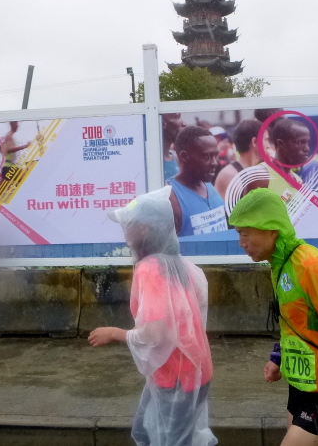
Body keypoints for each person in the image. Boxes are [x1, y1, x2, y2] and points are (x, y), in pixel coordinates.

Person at [229, 188, 318, 446]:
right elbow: (297, 322)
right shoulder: (280, 263)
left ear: (272, 230)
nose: (241, 243)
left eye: (245, 233)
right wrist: (279, 356)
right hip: (300, 388)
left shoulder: (311, 266)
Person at [88, 186, 216, 446]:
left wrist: (114, 333)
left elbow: (155, 333)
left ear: (144, 229)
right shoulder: (183, 266)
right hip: (193, 370)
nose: (125, 234)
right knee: (147, 432)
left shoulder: (150, 269)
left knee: (171, 441)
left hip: (177, 378)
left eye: (128, 226)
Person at [167, 126, 227, 237]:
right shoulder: (170, 196)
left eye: (215, 156)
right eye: (206, 156)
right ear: (184, 157)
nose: (214, 163)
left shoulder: (207, 184)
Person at [245, 118, 310, 203]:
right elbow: (245, 211)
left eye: (307, 143)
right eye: (300, 142)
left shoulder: (298, 181)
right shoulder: (260, 176)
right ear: (281, 144)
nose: (307, 148)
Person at [214, 119, 262, 199]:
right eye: (266, 140)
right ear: (254, 142)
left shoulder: (261, 169)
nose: (269, 145)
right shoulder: (229, 175)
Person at [162, 113, 186, 181]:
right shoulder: (150, 161)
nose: (184, 123)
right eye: (177, 118)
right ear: (163, 124)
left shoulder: (176, 158)